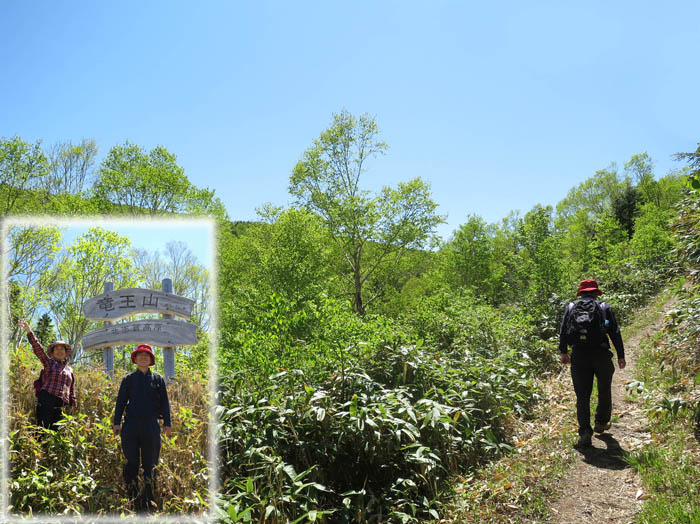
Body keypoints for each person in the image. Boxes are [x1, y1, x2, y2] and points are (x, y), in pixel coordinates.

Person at [559, 279, 626, 447]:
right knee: (604, 388)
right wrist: (620, 355)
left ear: (581, 293)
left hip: (579, 355)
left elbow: (563, 330)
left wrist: (564, 351)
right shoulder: (604, 307)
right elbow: (615, 332)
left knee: (582, 395)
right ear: (596, 293)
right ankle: (601, 423)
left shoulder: (571, 307)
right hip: (601, 354)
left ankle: (585, 432)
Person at [113, 344, 172, 512]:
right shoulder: (128, 379)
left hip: (151, 425)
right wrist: (117, 422)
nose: (143, 358)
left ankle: (148, 501)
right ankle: (132, 498)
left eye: (147, 355)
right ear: (135, 359)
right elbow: (120, 402)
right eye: (140, 355)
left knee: (150, 463)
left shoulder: (158, 379)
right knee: (131, 462)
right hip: (130, 425)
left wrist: (167, 423)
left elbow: (165, 403)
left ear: (151, 359)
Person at [18, 319, 77, 431]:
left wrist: (73, 405)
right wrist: (28, 331)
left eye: (62, 349)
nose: (59, 351)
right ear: (53, 352)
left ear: (65, 353)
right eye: (57, 349)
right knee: (42, 431)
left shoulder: (69, 370)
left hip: (61, 405)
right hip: (47, 400)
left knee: (56, 434)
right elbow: (38, 348)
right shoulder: (49, 363)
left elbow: (72, 389)